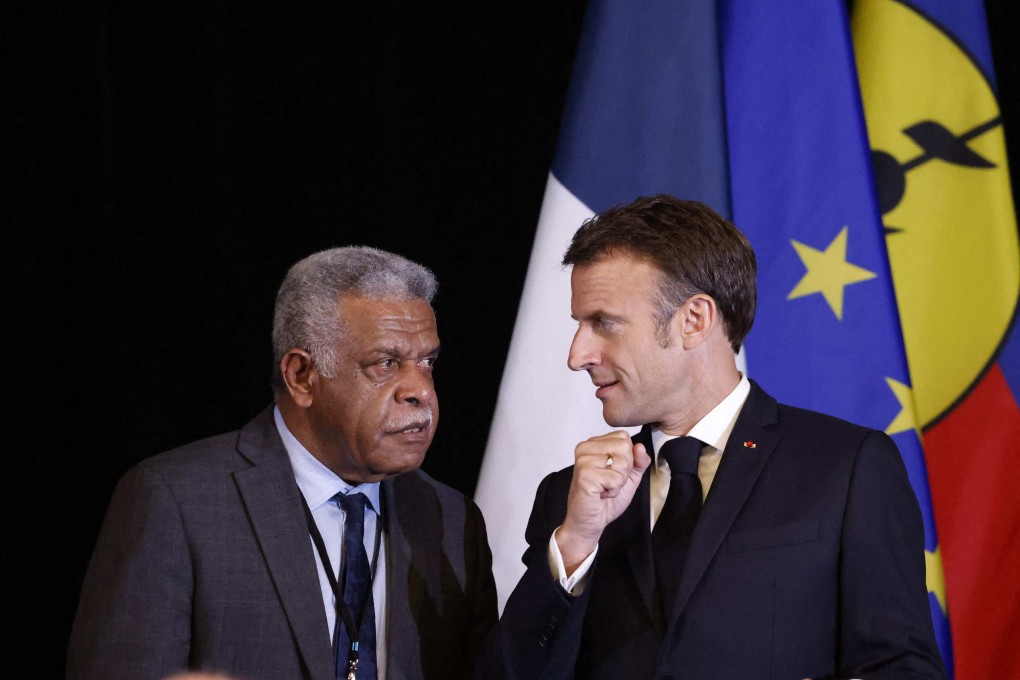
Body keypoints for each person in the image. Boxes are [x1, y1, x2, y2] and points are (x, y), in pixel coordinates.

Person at [477, 195, 947, 679]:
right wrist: (575, 544)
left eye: (604, 323)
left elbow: (901, 667)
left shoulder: (846, 467)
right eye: (579, 325)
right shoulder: (568, 498)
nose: (577, 355)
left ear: (694, 320)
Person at [68, 246, 498, 680]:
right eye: (386, 363)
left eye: (427, 362)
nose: (420, 391)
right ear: (300, 376)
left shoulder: (451, 519)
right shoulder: (177, 501)